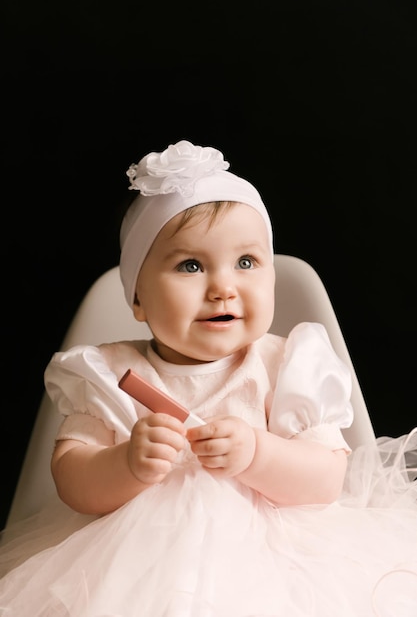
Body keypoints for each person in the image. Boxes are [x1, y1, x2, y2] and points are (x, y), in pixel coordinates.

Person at [0, 139, 416, 616]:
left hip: (276, 562)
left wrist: (258, 453)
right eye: (191, 265)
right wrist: (126, 464)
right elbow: (71, 479)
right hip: (136, 567)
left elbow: (327, 479)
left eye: (246, 262)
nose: (223, 288)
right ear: (137, 299)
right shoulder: (109, 373)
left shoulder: (284, 365)